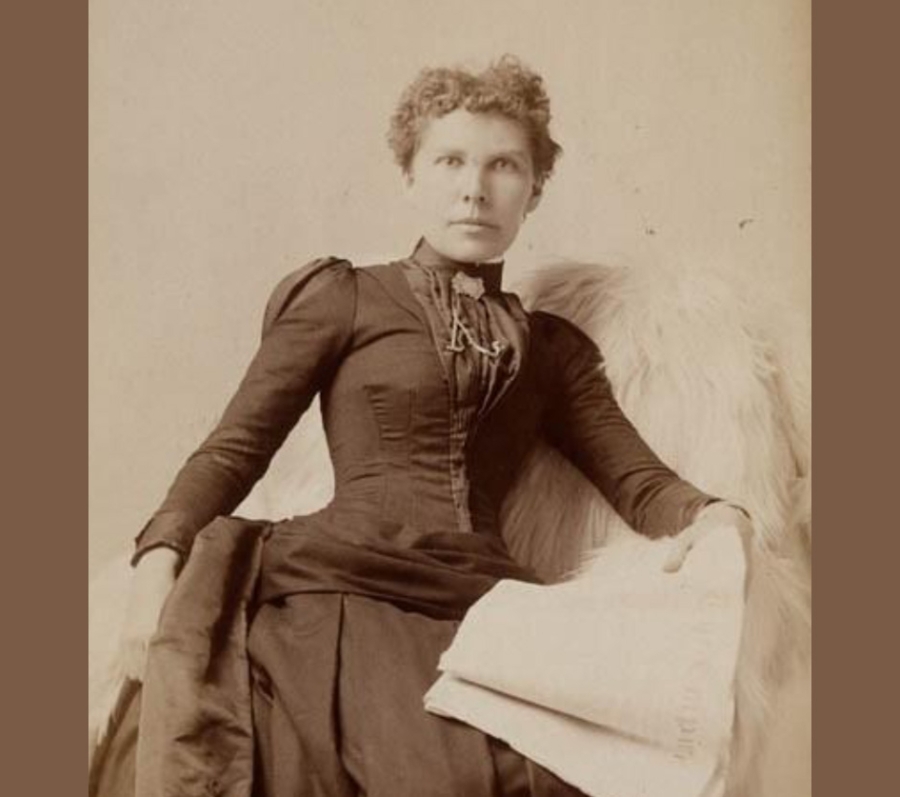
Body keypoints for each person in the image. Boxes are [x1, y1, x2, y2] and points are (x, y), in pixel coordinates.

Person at [107, 55, 751, 797]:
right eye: (450, 160)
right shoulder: (344, 298)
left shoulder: (551, 348)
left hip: (482, 607)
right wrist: (157, 559)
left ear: (535, 188)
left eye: (504, 164)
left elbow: (639, 482)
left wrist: (713, 513)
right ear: (411, 175)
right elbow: (234, 447)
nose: (474, 188)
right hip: (337, 590)